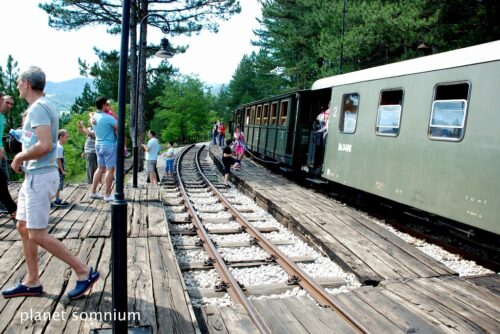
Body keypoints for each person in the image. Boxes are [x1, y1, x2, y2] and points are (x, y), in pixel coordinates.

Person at [1, 66, 99, 300]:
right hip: (34, 176)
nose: (15, 86)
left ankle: (84, 271)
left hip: (41, 175)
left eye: (17, 82)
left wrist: (18, 156)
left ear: (26, 83)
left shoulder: (38, 108)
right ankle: (32, 281)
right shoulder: (42, 107)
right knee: (23, 227)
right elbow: (38, 141)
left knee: (37, 233)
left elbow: (45, 145)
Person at [90, 96, 117, 201]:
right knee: (110, 170)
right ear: (103, 105)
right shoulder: (108, 117)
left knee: (100, 168)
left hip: (98, 144)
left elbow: (91, 116)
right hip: (109, 145)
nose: (108, 106)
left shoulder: (94, 117)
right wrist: (112, 112)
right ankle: (107, 194)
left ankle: (93, 192)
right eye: (107, 104)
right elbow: (119, 127)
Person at [0, 93, 17, 219]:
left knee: (4, 180)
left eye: (11, 104)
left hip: (1, 153)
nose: (9, 106)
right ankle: (12, 209)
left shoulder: (2, 117)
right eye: (6, 102)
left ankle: (10, 208)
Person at [53, 129, 70, 207]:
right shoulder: (59, 147)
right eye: (66, 137)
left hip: (55, 168)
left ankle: (56, 198)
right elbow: (58, 160)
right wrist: (62, 171)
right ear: (61, 137)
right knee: (58, 185)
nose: (67, 139)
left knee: (56, 184)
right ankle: (57, 199)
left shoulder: (56, 145)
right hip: (58, 169)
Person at [78, 118, 97, 184]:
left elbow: (89, 134)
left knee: (92, 168)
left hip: (92, 151)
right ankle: (90, 182)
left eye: (90, 122)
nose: (89, 123)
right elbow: (80, 131)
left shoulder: (97, 130)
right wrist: (79, 125)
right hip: (88, 150)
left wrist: (83, 125)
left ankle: (92, 183)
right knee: (89, 167)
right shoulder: (89, 128)